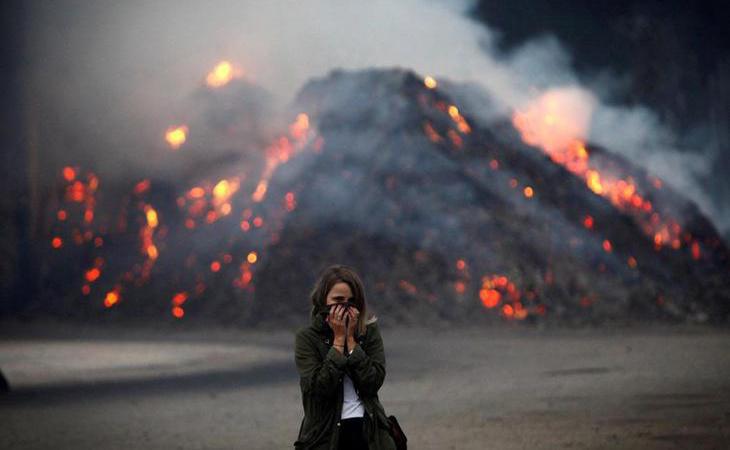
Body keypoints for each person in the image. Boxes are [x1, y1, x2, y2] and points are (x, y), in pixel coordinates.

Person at [293, 264, 397, 450]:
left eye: (351, 301)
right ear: (323, 300)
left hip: (369, 431)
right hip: (325, 435)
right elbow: (318, 389)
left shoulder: (368, 332)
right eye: (338, 300)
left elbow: (373, 381)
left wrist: (352, 343)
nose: (345, 307)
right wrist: (338, 342)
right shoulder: (307, 338)